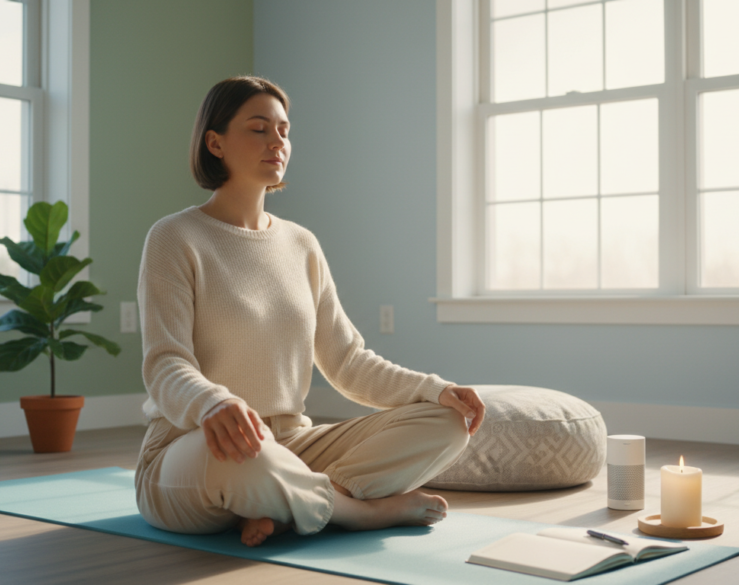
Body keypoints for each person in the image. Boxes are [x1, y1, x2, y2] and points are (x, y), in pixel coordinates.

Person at [134, 75, 486, 548]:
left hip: (292, 447)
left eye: (284, 130)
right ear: (215, 143)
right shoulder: (174, 237)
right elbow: (165, 363)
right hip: (192, 447)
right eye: (259, 128)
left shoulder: (302, 244)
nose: (277, 141)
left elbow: (348, 361)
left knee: (447, 423)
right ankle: (357, 512)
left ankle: (291, 505)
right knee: (250, 457)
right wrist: (212, 403)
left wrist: (435, 390)